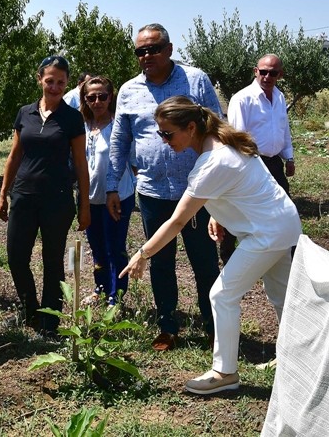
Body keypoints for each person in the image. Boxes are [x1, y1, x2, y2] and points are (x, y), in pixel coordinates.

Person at [121, 96, 301, 395]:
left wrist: (143, 253)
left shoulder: (213, 161)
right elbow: (247, 186)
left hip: (266, 233)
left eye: (168, 133)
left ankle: (225, 373)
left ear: (190, 127)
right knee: (281, 295)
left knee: (221, 294)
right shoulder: (223, 141)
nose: (164, 141)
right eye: (160, 134)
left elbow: (177, 222)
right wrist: (218, 214)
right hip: (281, 224)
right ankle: (294, 357)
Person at [107, 23, 222, 351]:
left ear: (169, 49)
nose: (147, 56)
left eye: (154, 49)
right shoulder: (129, 91)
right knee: (160, 259)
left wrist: (216, 180)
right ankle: (168, 326)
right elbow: (120, 140)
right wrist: (113, 185)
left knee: (204, 260)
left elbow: (215, 127)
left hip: (196, 190)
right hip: (152, 191)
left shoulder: (194, 80)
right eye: (140, 51)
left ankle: (214, 325)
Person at [0, 56, 91, 335]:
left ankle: (50, 321)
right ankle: (30, 312)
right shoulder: (24, 112)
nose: (55, 87)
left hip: (57, 199)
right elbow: (14, 156)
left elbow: (81, 164)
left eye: (61, 82)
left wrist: (83, 205)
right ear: (40, 78)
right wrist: (4, 192)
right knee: (16, 257)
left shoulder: (73, 119)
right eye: (50, 81)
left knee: (52, 262)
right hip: (24, 196)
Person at [220, 54, 295, 263]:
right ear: (256, 71)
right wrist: (247, 166)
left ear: (280, 74)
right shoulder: (242, 99)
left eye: (273, 73)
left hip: (274, 163)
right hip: (250, 161)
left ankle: (282, 255)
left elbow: (283, 130)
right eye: (263, 71)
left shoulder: (279, 97)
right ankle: (228, 257)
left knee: (283, 208)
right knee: (240, 209)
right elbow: (238, 136)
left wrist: (289, 158)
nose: (267, 76)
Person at [79, 76, 135, 306]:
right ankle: (100, 289)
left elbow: (131, 162)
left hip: (118, 196)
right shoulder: (82, 127)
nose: (97, 101)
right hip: (91, 198)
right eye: (91, 97)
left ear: (111, 97)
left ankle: (117, 296)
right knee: (97, 248)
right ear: (85, 99)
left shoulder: (119, 127)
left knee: (115, 247)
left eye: (102, 96)